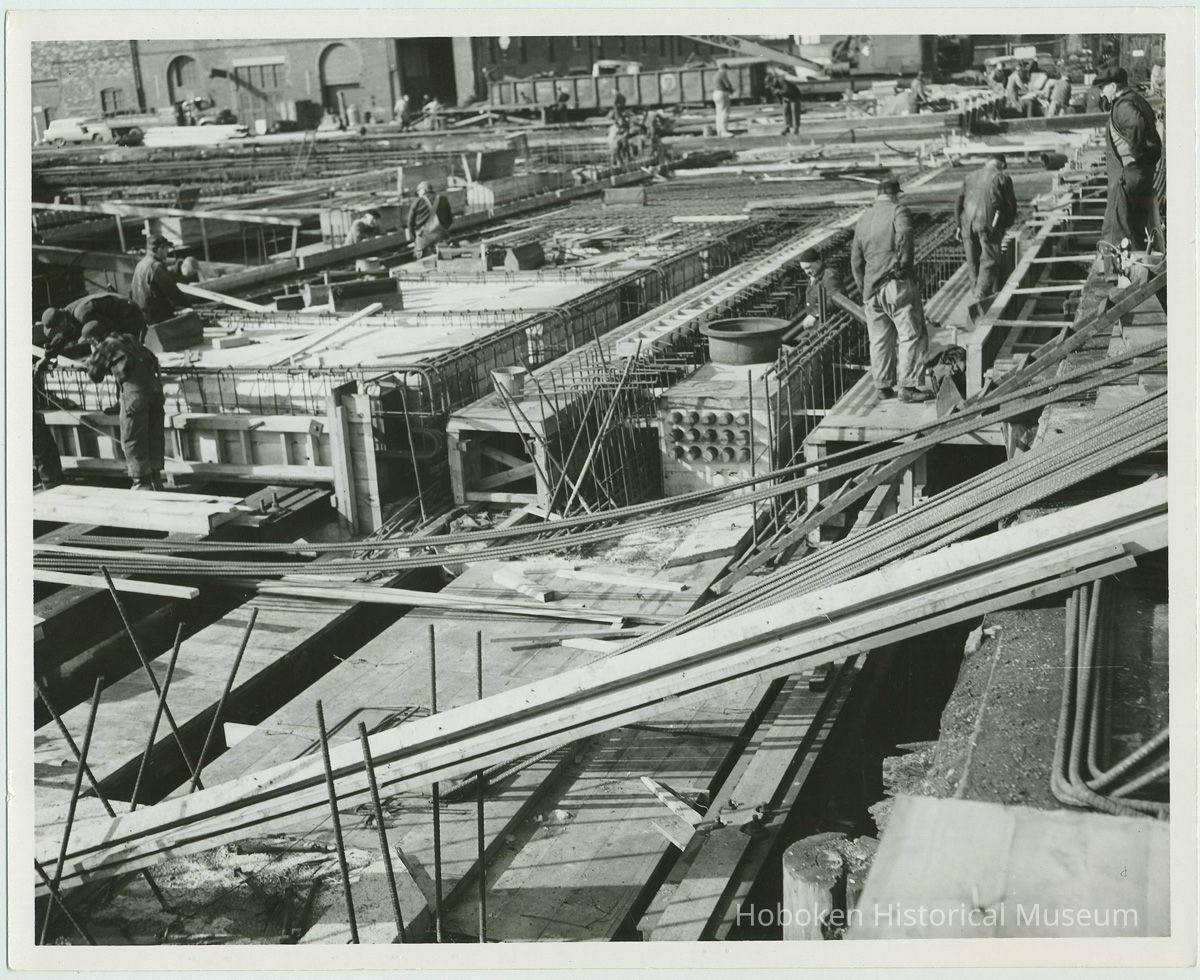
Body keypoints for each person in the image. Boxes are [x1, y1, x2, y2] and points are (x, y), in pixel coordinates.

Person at [850, 178, 931, 403]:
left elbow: (855, 260)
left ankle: (883, 386)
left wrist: (863, 287)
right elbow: (905, 237)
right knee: (911, 334)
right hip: (895, 283)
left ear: (877, 196)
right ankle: (909, 386)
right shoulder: (899, 210)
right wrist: (904, 268)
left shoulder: (864, 219)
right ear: (896, 195)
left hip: (870, 289)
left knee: (879, 339)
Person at [83, 320, 166, 491]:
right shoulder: (128, 339)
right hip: (156, 391)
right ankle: (156, 479)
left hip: (136, 395)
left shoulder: (105, 346)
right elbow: (149, 358)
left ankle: (141, 483)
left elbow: (94, 375)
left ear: (92, 340)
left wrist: (91, 359)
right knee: (154, 436)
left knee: (133, 439)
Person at [1095, 67, 1162, 251]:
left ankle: (1114, 275)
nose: (1101, 93)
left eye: (1103, 88)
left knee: (1117, 231)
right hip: (1142, 173)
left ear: (1114, 86)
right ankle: (1137, 272)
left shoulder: (1122, 106)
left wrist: (1136, 155)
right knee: (1135, 229)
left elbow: (1136, 125)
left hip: (1128, 175)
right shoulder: (1137, 99)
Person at [955, 154, 1018, 302]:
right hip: (989, 223)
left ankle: (975, 294)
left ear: (987, 161)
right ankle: (980, 297)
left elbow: (958, 202)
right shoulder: (1002, 178)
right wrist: (1005, 225)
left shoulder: (969, 176)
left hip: (967, 224)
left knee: (973, 261)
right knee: (990, 260)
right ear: (1001, 164)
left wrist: (958, 225)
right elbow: (1010, 205)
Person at [131, 235, 192, 325]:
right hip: (157, 317)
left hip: (142, 315)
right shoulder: (156, 266)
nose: (167, 252)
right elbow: (172, 292)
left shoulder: (140, 264)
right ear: (159, 249)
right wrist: (189, 305)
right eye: (166, 249)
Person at [406, 181, 453, 257]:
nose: (418, 194)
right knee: (445, 259)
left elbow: (410, 223)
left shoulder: (417, 202)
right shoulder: (442, 199)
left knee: (423, 263)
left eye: (418, 192)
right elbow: (449, 219)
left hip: (423, 238)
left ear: (423, 190)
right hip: (440, 235)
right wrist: (443, 229)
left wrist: (415, 238)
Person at [712, 63, 734, 137]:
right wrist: (731, 90)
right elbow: (728, 85)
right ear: (724, 68)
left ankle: (719, 131)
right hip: (722, 94)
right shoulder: (722, 74)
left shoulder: (715, 75)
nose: (726, 71)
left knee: (718, 114)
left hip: (715, 93)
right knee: (725, 112)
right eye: (726, 69)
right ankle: (724, 131)